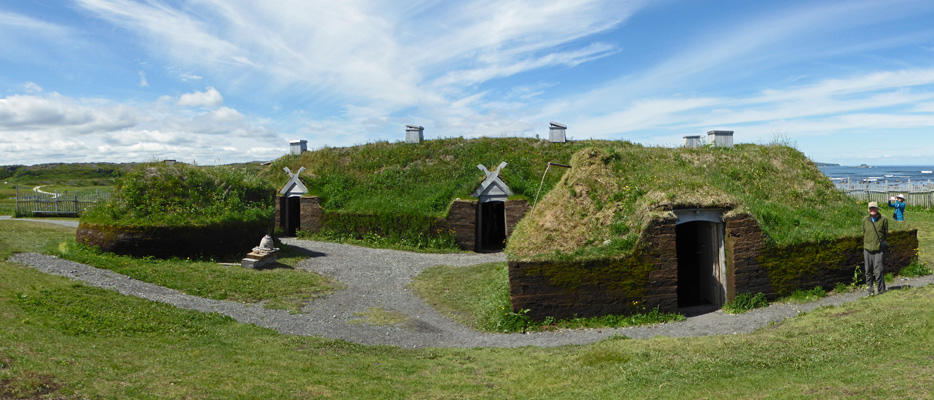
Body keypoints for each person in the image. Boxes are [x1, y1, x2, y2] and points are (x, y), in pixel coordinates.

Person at [862, 201, 888, 295]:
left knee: (878, 271)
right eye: (871, 208)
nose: (873, 210)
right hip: (867, 249)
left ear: (877, 209)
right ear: (868, 210)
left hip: (878, 250)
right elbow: (864, 232)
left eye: (874, 208)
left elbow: (885, 233)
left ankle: (881, 291)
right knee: (868, 271)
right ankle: (870, 291)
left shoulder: (883, 219)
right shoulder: (865, 220)